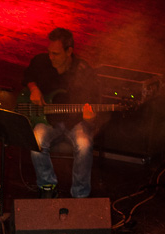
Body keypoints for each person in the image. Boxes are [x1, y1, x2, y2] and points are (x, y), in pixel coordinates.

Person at [23, 27, 100, 198]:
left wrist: (90, 119)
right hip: (47, 120)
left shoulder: (84, 71)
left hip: (75, 122)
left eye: (56, 54)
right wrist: (33, 88)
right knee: (36, 141)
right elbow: (28, 75)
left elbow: (95, 102)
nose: (50, 57)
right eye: (49, 52)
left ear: (69, 51)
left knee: (84, 145)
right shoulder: (41, 62)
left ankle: (80, 194)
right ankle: (47, 186)